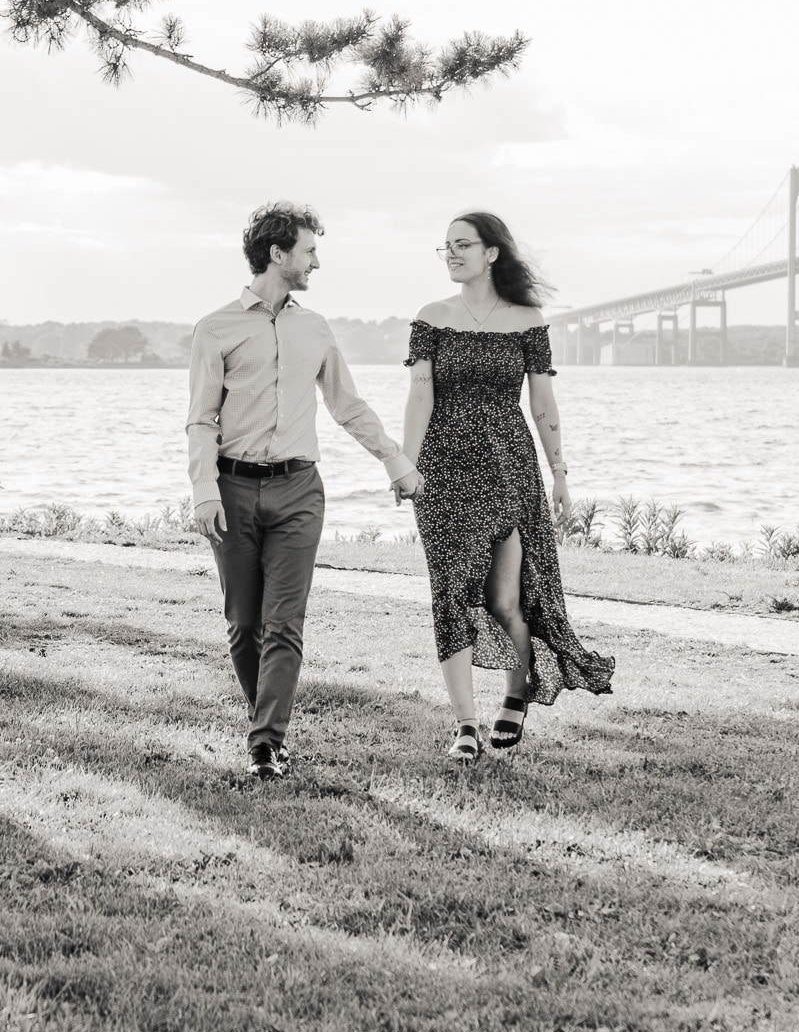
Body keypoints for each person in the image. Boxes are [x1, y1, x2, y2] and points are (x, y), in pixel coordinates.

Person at [188, 202, 424, 780]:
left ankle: (267, 742)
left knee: (284, 622)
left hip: (299, 491)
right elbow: (201, 419)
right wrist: (203, 490)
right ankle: (263, 717)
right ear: (277, 253)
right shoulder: (215, 328)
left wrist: (395, 462)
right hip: (233, 488)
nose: (317, 261)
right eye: (309, 250)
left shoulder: (314, 328)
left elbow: (347, 405)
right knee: (244, 624)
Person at [401, 212, 615, 764]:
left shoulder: (526, 320)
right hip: (443, 471)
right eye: (445, 246)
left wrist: (560, 471)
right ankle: (465, 725)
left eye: (462, 245)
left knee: (503, 600)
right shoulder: (431, 318)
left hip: (508, 469)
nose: (451, 254)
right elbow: (419, 396)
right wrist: (406, 465)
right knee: (450, 594)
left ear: (491, 253)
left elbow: (542, 403)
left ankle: (516, 694)